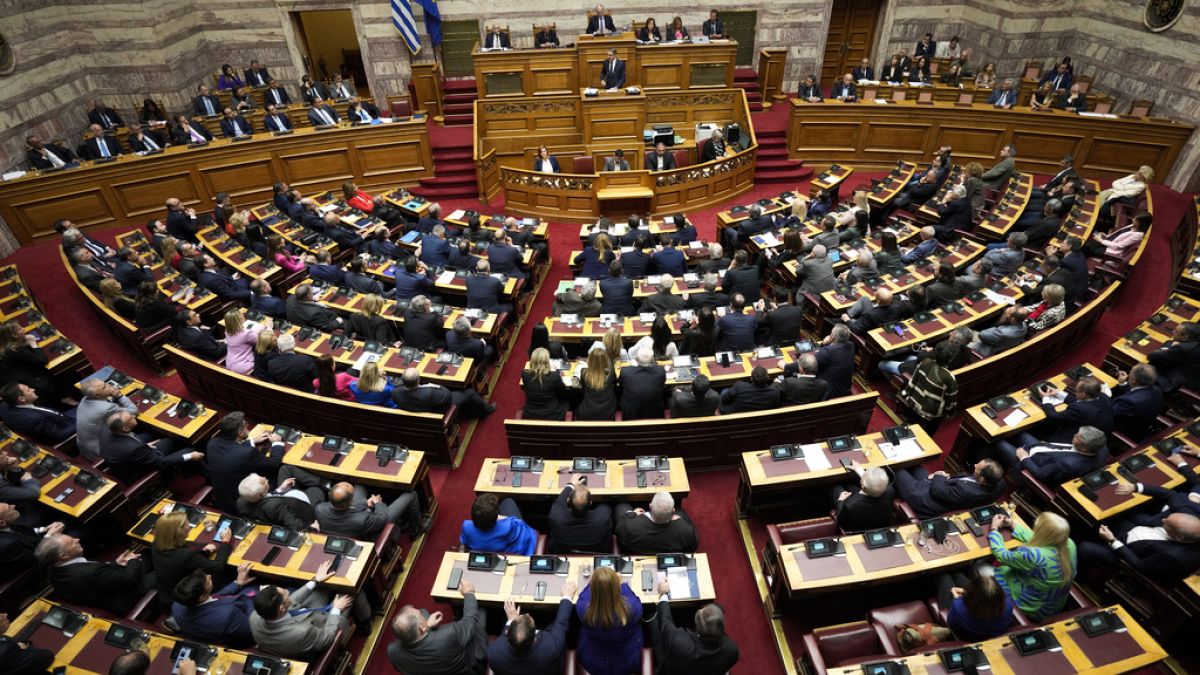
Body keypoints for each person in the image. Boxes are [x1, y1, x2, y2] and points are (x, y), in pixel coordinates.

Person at [249, 562, 356, 659]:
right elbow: (328, 637)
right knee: (351, 590)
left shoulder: (256, 615)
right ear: (281, 608)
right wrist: (336, 610)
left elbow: (291, 601)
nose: (288, 591)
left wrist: (315, 581)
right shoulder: (302, 633)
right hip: (321, 631)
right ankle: (365, 622)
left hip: (303, 616)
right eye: (286, 594)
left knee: (324, 584)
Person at [35, 533, 153, 615]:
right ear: (64, 556)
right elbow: (129, 580)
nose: (77, 540)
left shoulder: (52, 569)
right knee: (151, 555)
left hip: (104, 589)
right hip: (126, 598)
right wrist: (132, 560)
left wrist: (115, 563)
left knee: (146, 554)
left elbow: (98, 578)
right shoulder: (90, 572)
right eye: (72, 542)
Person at [989, 511, 1076, 622]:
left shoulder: (1033, 555)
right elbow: (1041, 541)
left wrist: (994, 529)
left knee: (980, 567)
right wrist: (1012, 524)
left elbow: (1001, 554)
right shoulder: (1069, 544)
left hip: (1030, 608)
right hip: (1052, 606)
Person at [388, 580, 488, 675]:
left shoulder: (392, 651)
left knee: (425, 612)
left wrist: (427, 625)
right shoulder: (449, 634)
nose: (421, 612)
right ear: (421, 629)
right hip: (470, 668)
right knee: (480, 613)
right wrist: (469, 593)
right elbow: (470, 620)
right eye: (419, 614)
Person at [488, 580, 578, 675]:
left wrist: (511, 620)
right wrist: (567, 596)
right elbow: (561, 623)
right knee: (556, 625)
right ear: (535, 638)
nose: (527, 613)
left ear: (507, 633)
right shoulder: (551, 647)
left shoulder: (494, 653)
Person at [205, 411, 286, 512]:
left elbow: (231, 449)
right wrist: (277, 443)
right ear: (240, 433)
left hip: (221, 499)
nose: (247, 427)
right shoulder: (247, 453)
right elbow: (274, 464)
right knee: (282, 469)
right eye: (245, 425)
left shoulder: (212, 443)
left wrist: (251, 441)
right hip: (242, 502)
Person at [151, 510, 232, 607]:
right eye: (186, 523)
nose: (189, 525)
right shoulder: (186, 555)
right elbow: (218, 567)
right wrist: (226, 541)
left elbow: (184, 548)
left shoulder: (157, 543)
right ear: (179, 532)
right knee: (230, 571)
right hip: (187, 597)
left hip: (168, 591)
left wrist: (203, 552)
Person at [99, 410, 202, 482]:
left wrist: (144, 445)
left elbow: (129, 440)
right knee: (192, 448)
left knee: (175, 438)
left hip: (141, 454)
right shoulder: (133, 448)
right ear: (125, 428)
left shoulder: (107, 428)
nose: (134, 416)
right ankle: (192, 473)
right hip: (142, 470)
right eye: (131, 418)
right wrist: (190, 456)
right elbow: (161, 463)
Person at [576, 566, 644, 675]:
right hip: (626, 660)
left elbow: (583, 595)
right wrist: (621, 584)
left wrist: (597, 583)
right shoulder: (632, 609)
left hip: (593, 660)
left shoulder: (583, 609)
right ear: (617, 588)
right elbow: (635, 600)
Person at [171, 564, 258, 648]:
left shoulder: (178, 605)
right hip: (243, 636)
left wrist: (237, 583)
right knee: (256, 588)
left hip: (209, 631)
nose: (209, 576)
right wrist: (260, 599)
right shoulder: (227, 615)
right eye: (208, 582)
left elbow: (214, 597)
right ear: (201, 596)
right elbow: (252, 631)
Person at [992, 424, 1108, 485]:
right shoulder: (1102, 448)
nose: (1074, 435)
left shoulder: (1067, 465)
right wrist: (1048, 446)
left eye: (1077, 437)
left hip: (1031, 463)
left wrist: (1024, 458)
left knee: (997, 441)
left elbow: (1041, 474)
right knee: (1019, 432)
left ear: (1084, 448)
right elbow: (1066, 450)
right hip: (1043, 451)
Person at [894, 459, 1005, 518]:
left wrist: (939, 475)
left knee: (896, 468)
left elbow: (936, 491)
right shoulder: (1000, 483)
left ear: (981, 479)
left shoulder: (967, 492)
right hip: (942, 488)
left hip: (922, 498)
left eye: (978, 467)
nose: (975, 465)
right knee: (912, 462)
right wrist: (942, 477)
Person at [317, 480, 423, 539]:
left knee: (360, 483)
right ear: (350, 501)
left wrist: (365, 503)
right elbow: (382, 518)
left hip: (352, 519)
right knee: (411, 495)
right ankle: (417, 529)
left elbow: (345, 507)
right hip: (373, 527)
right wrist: (378, 503)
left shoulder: (319, 508)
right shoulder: (363, 520)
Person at [935, 572, 1014, 642]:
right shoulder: (1008, 604)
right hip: (994, 633)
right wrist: (964, 592)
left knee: (944, 577)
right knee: (958, 574)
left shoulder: (958, 606)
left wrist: (956, 598)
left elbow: (950, 623)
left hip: (969, 637)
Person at [75, 378, 138, 462]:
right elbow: (134, 411)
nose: (109, 386)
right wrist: (120, 396)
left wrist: (111, 395)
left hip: (85, 447)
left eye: (105, 383)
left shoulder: (85, 399)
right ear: (97, 395)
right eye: (104, 387)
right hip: (100, 451)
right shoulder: (106, 408)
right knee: (147, 434)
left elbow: (105, 401)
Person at [392, 367, 495, 418]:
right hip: (437, 411)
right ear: (418, 380)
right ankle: (487, 410)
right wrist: (435, 385)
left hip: (417, 410)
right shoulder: (429, 392)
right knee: (470, 392)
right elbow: (447, 395)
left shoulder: (395, 392)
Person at [1034, 376, 1114, 442]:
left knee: (1039, 428)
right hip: (1098, 435)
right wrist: (1058, 393)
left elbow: (1055, 417)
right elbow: (1085, 403)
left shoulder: (1080, 410)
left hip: (1077, 441)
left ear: (1083, 395)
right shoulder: (1104, 398)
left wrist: (1045, 398)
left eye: (1077, 391)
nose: (1075, 392)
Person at [615, 491, 698, 553]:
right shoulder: (686, 531)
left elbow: (619, 530)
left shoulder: (630, 526)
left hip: (638, 551)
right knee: (681, 511)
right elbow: (692, 547)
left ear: (650, 506)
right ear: (673, 511)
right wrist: (680, 521)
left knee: (622, 506)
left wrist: (632, 514)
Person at [549, 474, 613, 553]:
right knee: (605, 506)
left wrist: (570, 485)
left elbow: (559, 503)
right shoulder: (602, 519)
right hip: (596, 550)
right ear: (590, 503)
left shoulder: (556, 517)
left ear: (568, 501)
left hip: (564, 550)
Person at [461, 493, 539, 554]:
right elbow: (525, 532)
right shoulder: (509, 526)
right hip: (510, 554)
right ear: (496, 516)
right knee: (507, 502)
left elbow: (465, 542)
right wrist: (504, 518)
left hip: (485, 553)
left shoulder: (467, 527)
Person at [0, 383, 76, 445]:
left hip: (58, 419)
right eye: (28, 390)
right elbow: (60, 435)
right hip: (67, 427)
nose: (33, 389)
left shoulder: (4, 406)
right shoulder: (34, 419)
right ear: (22, 399)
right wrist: (83, 422)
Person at [1111, 363, 1165, 441]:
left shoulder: (1129, 402)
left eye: (1130, 373)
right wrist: (1123, 383)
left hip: (1121, 430)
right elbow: (1137, 394)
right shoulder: (1157, 390)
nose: (1128, 375)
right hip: (1141, 426)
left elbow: (1108, 413)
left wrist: (1103, 395)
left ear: (1133, 380)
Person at [834, 464, 895, 532]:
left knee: (836, 488)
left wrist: (840, 500)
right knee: (850, 485)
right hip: (879, 522)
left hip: (858, 530)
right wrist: (858, 469)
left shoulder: (851, 505)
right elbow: (877, 483)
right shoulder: (890, 491)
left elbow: (841, 521)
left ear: (862, 487)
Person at [0, 611, 55, 675]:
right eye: (0, 615)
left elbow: (7, 639)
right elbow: (46, 656)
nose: (5, 614)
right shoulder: (7, 651)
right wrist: (23, 649)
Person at [522, 347, 570, 420]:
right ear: (547, 361)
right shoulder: (554, 376)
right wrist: (556, 372)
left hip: (530, 414)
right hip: (553, 414)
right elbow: (563, 391)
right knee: (567, 403)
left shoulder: (525, 374)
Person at [618, 348, 667, 419]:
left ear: (636, 359)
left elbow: (620, 384)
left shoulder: (625, 372)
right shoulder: (660, 371)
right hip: (655, 413)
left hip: (631, 414)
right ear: (652, 360)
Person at [577, 348, 618, 421]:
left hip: (587, 412)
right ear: (606, 360)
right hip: (608, 412)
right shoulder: (611, 373)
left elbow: (582, 388)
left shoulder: (584, 373)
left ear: (590, 360)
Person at [814, 324, 854, 398]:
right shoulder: (851, 345)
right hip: (845, 388)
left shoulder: (829, 351)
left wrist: (823, 343)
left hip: (829, 392)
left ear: (832, 337)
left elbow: (810, 363)